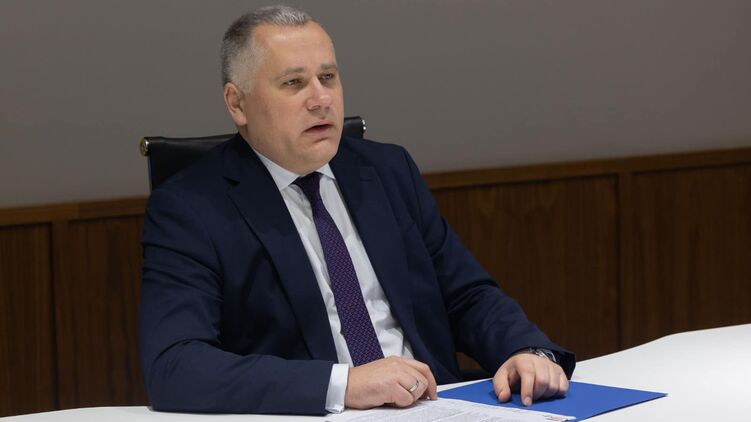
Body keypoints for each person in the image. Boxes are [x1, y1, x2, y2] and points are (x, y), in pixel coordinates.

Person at [139, 5, 575, 416]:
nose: (321, 99)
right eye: (294, 83)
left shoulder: (387, 171)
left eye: (328, 77)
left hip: (436, 405)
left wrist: (525, 350)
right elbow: (175, 365)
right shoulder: (191, 208)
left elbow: (466, 295)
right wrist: (344, 384)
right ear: (237, 103)